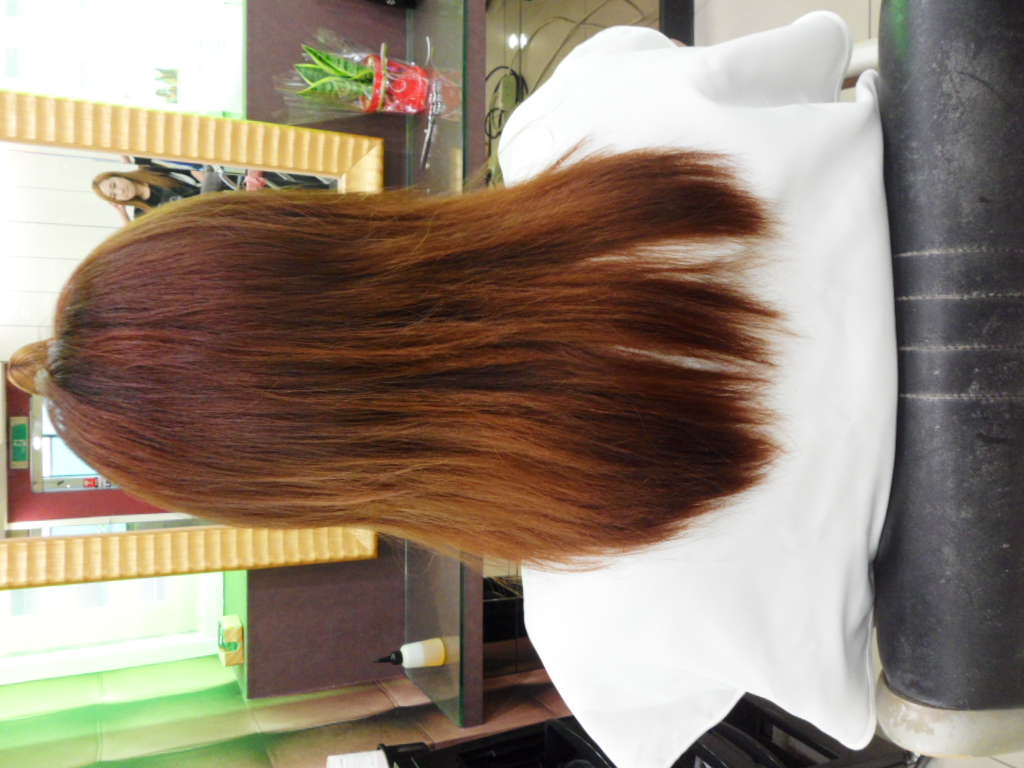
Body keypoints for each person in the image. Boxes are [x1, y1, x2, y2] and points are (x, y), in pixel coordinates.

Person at [8, 13, 895, 768]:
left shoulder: (599, 638)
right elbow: (827, 51)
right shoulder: (585, 115)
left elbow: (878, 691)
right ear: (292, 222)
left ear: (279, 487)